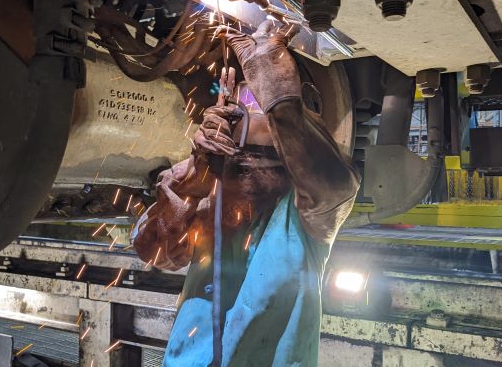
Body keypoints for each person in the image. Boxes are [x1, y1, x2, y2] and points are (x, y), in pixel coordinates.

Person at [132, 21, 360, 366]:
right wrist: (193, 178)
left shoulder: (304, 219)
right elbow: (151, 249)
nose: (244, 110)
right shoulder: (210, 201)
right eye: (241, 103)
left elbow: (334, 184)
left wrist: (279, 96)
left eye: (255, 101)